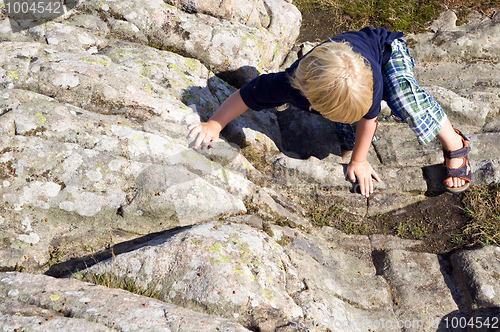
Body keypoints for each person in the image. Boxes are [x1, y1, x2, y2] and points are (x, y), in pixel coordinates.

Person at [187, 27, 471, 197]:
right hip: (336, 75)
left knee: (403, 97)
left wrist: (360, 160)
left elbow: (369, 120)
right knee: (348, 125)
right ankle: (348, 136)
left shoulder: (366, 84)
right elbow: (247, 95)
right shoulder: (288, 85)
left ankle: (454, 142)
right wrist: (215, 123)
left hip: (388, 50)